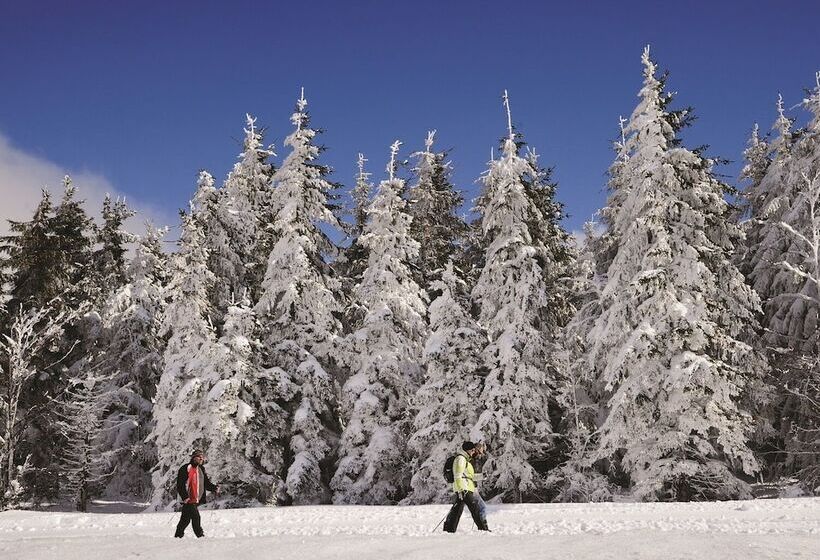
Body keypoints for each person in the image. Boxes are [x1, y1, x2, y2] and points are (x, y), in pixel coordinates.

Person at [443, 441, 489, 532]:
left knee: (457, 510)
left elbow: (469, 476)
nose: (473, 452)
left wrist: (482, 476)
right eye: (472, 450)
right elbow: (458, 475)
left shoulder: (465, 459)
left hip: (466, 487)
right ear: (467, 450)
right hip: (464, 488)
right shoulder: (461, 459)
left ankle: (449, 530)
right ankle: (483, 529)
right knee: (475, 509)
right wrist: (461, 490)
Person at [174, 449, 219, 538]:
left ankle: (178, 536)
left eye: (202, 457)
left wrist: (214, 488)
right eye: (199, 457)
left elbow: (206, 483)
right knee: (196, 517)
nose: (201, 459)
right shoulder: (185, 468)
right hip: (188, 499)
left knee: (185, 520)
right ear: (194, 458)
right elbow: (180, 484)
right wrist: (185, 497)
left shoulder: (201, 469)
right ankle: (200, 536)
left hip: (196, 498)